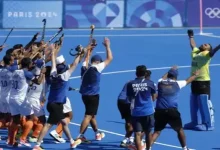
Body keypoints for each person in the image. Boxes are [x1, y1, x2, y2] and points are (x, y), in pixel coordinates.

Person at [32, 45, 83, 150]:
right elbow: (75, 64)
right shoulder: (65, 76)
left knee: (64, 122)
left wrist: (54, 52)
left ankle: (72, 142)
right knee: (49, 125)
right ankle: (37, 145)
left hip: (51, 103)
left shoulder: (53, 74)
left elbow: (54, 64)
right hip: (57, 104)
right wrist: (79, 54)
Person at [150, 66, 200, 150]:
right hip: (172, 111)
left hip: (159, 111)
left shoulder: (160, 82)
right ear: (175, 77)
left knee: (157, 132)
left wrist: (171, 70)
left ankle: (148, 148)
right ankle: (184, 148)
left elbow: (163, 77)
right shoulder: (177, 84)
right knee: (179, 130)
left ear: (168, 75)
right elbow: (188, 80)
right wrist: (195, 75)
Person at [77, 37, 113, 142]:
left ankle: (97, 133)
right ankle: (80, 136)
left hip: (84, 96)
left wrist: (90, 49)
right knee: (88, 115)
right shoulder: (97, 67)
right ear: (97, 62)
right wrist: (107, 47)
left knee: (92, 115)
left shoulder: (84, 68)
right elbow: (110, 58)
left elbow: (85, 60)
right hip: (93, 96)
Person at [184, 29, 219, 131]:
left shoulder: (206, 55)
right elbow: (193, 45)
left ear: (208, 49)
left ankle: (208, 124)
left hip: (203, 82)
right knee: (193, 103)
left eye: (207, 45)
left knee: (204, 103)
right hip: (194, 81)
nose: (205, 44)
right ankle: (194, 122)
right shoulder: (196, 53)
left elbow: (213, 52)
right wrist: (191, 36)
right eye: (205, 43)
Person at [8, 57, 45, 147]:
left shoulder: (15, 71)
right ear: (29, 65)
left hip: (11, 98)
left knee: (15, 120)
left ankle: (11, 141)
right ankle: (22, 139)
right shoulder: (27, 73)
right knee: (31, 117)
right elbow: (38, 82)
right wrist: (41, 72)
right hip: (20, 99)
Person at [126, 65, 157, 150]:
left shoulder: (130, 84)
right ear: (145, 73)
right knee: (148, 132)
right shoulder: (150, 83)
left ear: (136, 73)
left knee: (137, 134)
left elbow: (129, 98)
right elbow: (154, 98)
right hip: (148, 111)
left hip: (136, 112)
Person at [117, 80, 133, 147]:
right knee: (134, 122)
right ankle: (126, 139)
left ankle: (128, 137)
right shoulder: (140, 84)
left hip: (120, 101)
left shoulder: (129, 81)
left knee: (128, 121)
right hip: (128, 102)